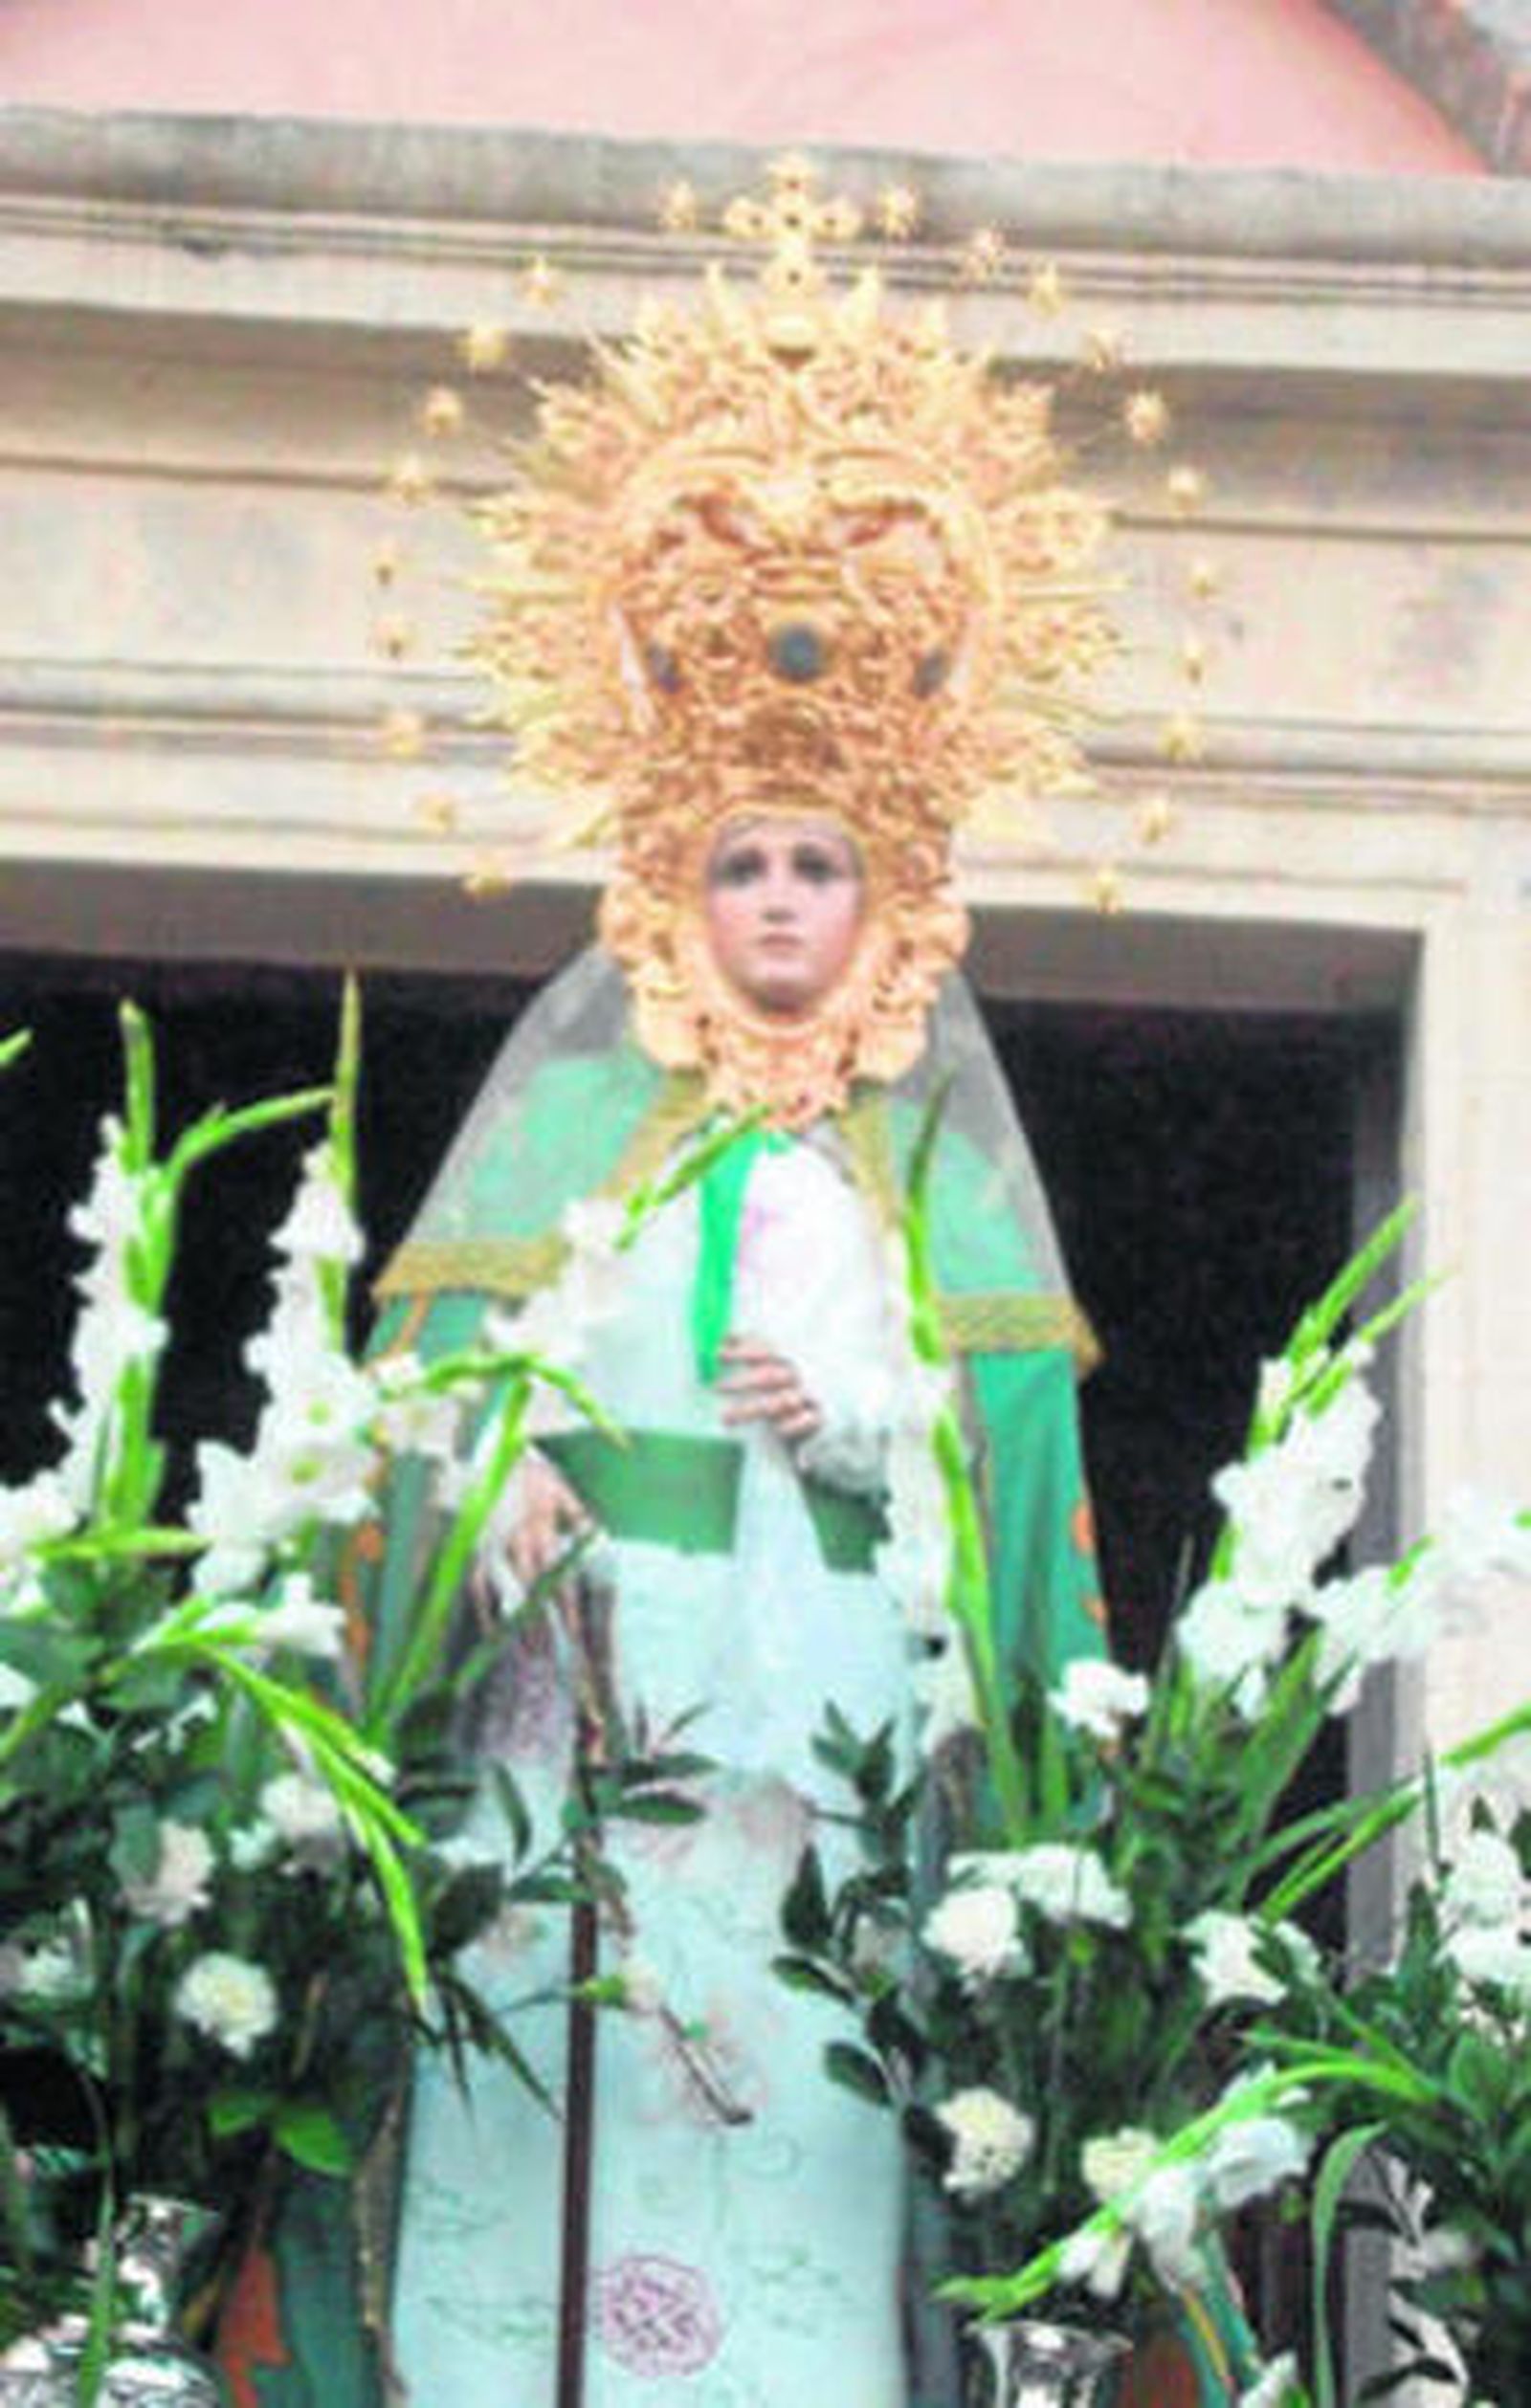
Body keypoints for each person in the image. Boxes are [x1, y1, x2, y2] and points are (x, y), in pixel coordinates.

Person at [213, 156, 1250, 2407]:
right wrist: (475, 1484)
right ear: (663, 884)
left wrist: (876, 1437)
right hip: (552, 1770)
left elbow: (1020, 1554)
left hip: (821, 1793)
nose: (778, 901)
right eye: (739, 860)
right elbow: (406, 1427)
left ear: (897, 901)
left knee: (793, 2223)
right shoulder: (572, 1148)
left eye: (819, 861)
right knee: (523, 2234)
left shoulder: (942, 1196)